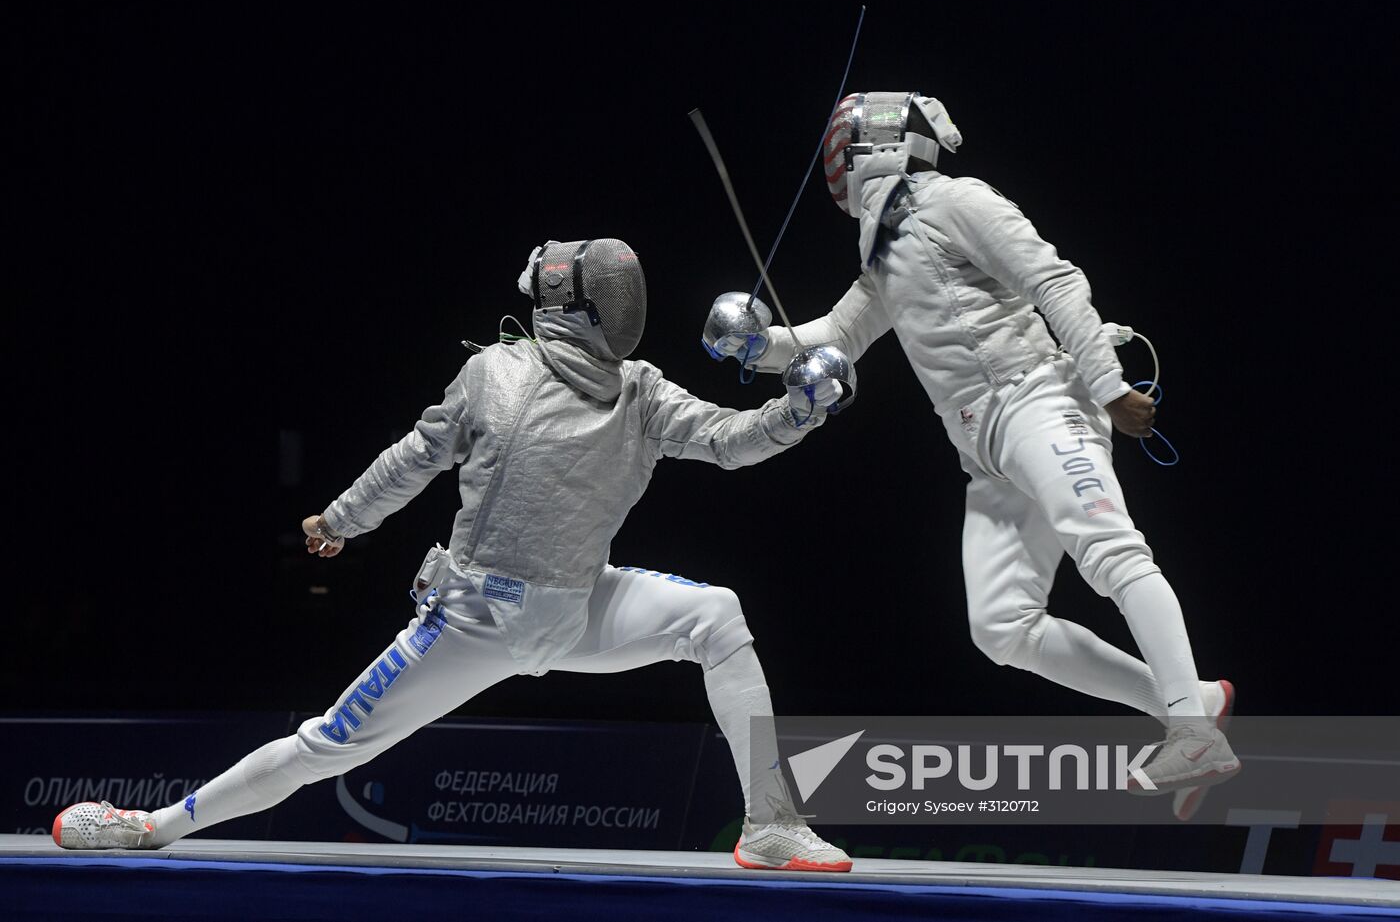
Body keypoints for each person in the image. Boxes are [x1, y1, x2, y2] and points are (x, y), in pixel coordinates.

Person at [54, 238, 852, 871]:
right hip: (474, 618)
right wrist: (341, 517)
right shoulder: (496, 373)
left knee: (716, 614)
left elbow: (725, 439)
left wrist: (797, 409)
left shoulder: (637, 390)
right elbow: (413, 459)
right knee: (329, 741)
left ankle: (774, 823)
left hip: (574, 606)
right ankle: (152, 826)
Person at [706, 94, 1239, 817]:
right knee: (1001, 627)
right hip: (985, 452)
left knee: (1110, 553)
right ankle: (1194, 699)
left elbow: (1053, 280)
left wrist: (1109, 386)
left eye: (842, 147)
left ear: (873, 146)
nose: (834, 163)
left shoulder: (957, 200)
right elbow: (834, 335)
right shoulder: (887, 252)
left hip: (1040, 403)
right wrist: (753, 345)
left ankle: (1192, 731)